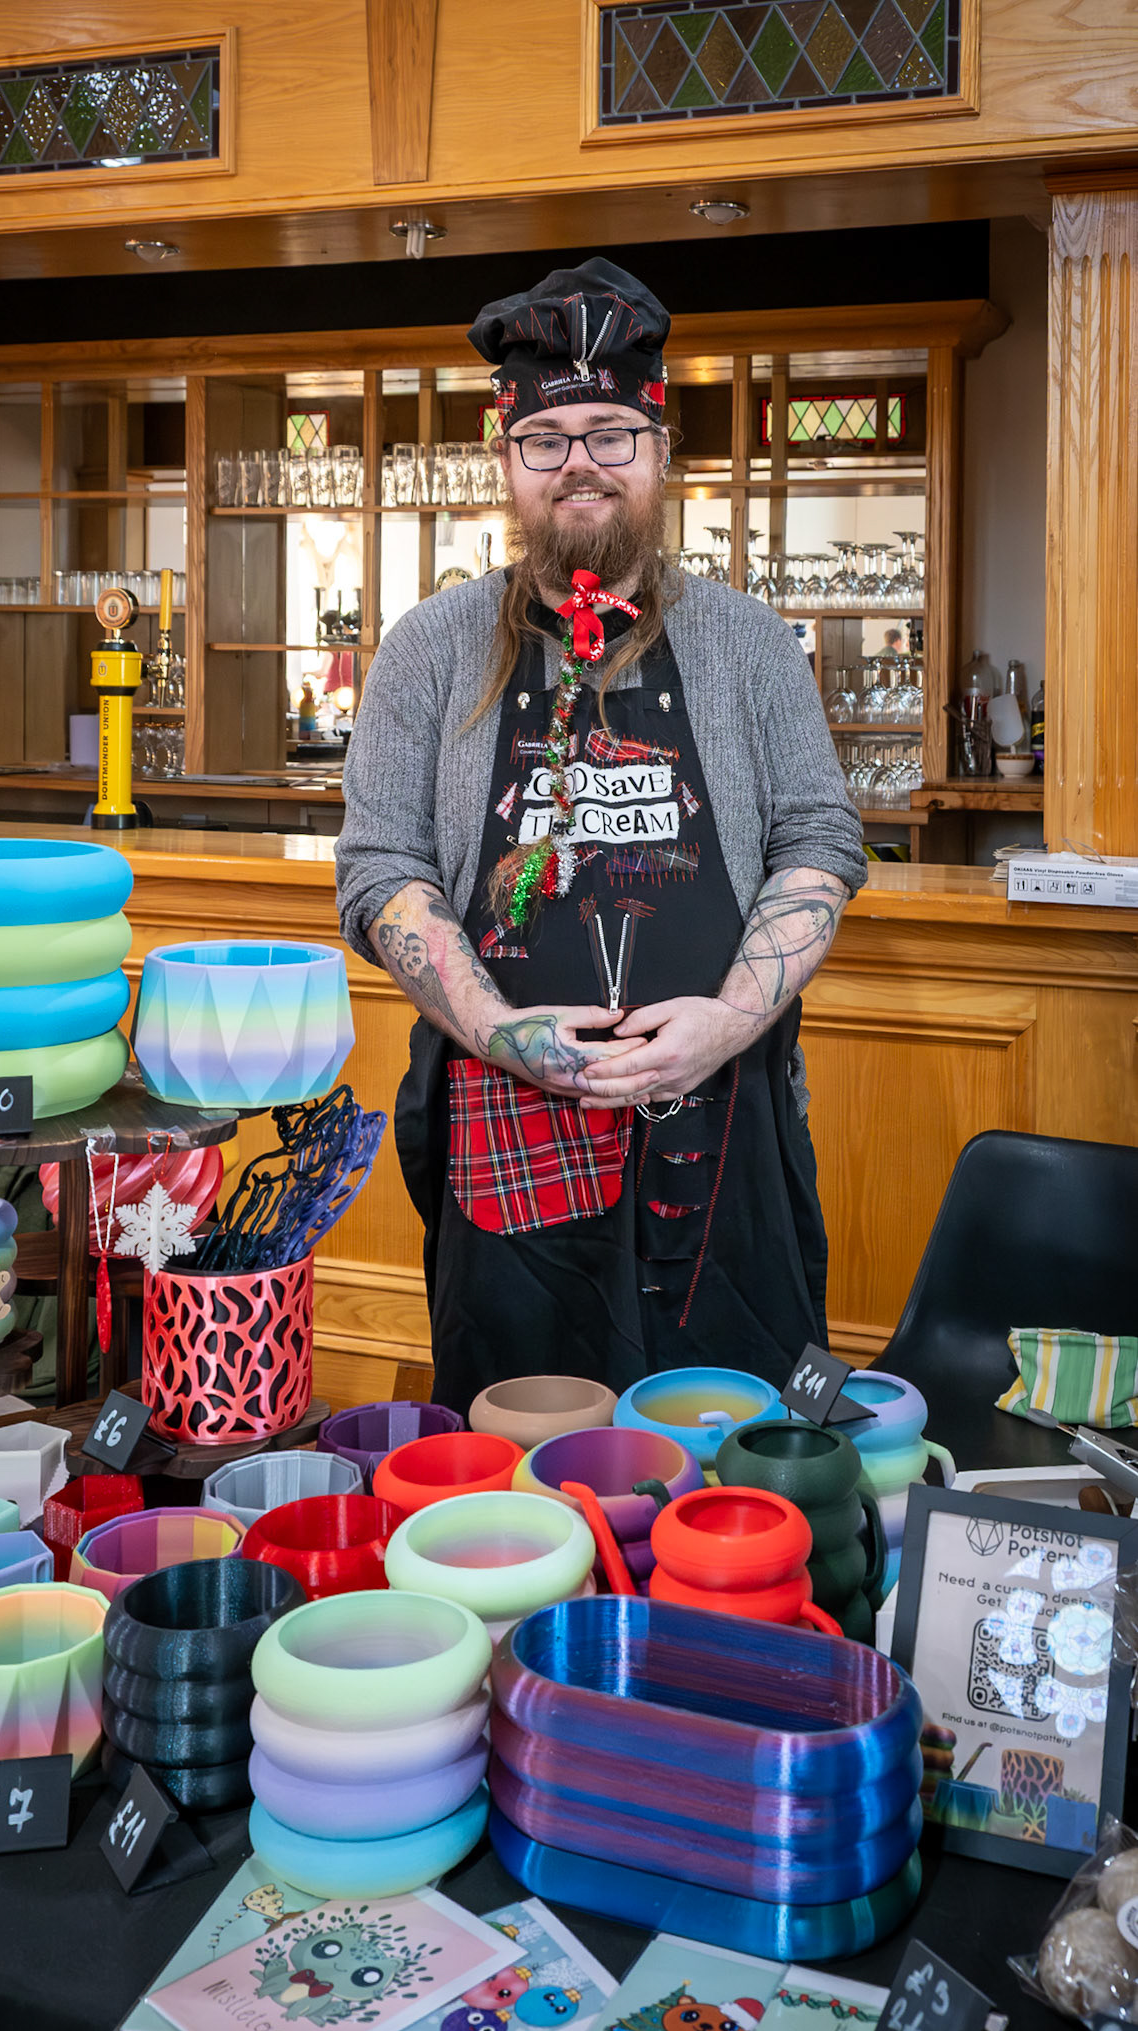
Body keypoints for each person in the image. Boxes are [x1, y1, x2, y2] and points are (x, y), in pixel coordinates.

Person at [335, 258, 866, 1416]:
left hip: (725, 1117)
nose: (579, 460)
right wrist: (504, 1032)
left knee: (735, 1442)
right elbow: (380, 870)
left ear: (661, 453)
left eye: (612, 432)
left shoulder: (750, 643)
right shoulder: (428, 649)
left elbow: (821, 836)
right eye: (546, 437)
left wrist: (729, 1020)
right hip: (507, 1126)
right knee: (520, 1445)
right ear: (507, 461)